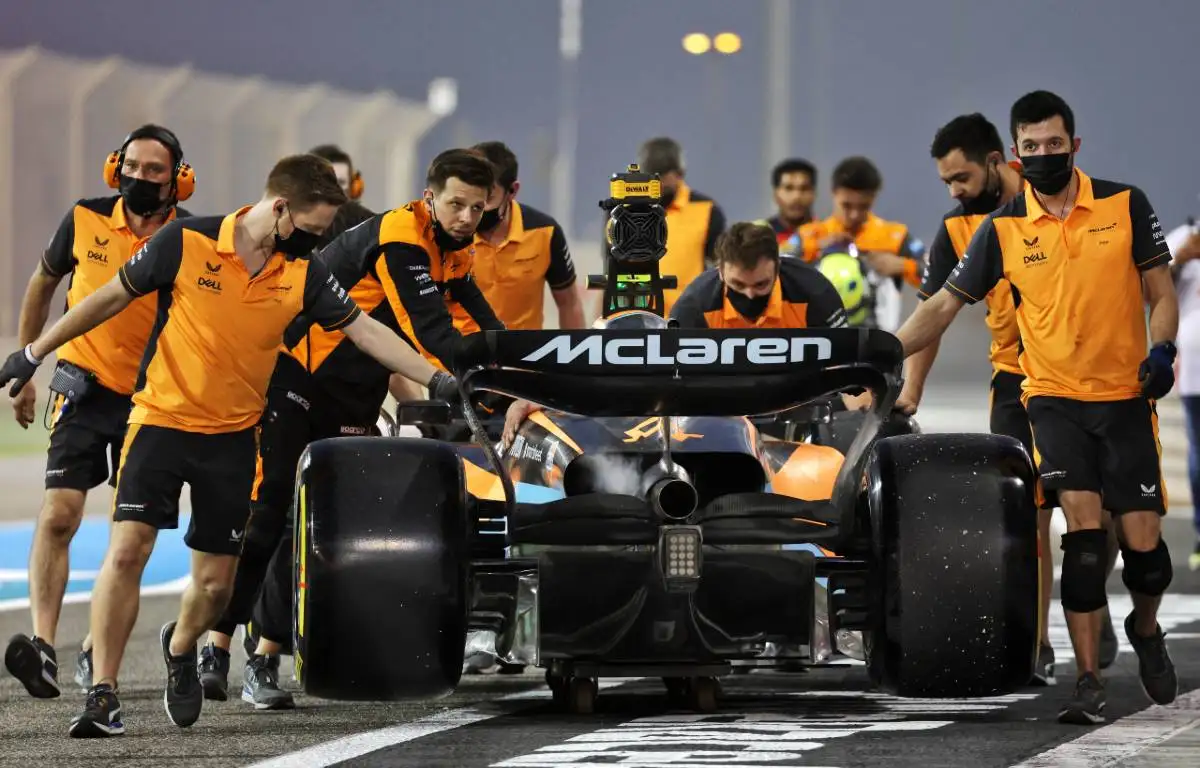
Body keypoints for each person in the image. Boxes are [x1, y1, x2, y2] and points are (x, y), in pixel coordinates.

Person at [0, 153, 457, 737]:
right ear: (281, 209)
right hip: (159, 421)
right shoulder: (186, 241)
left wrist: (435, 376)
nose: (318, 246)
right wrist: (34, 352)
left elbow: (366, 332)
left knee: (216, 586)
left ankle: (182, 645)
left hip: (235, 437)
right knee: (127, 551)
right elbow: (108, 297)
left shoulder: (305, 273)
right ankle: (102, 694)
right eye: (313, 231)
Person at [894, 90, 1179, 725]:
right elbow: (942, 306)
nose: (1044, 155)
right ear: (1017, 151)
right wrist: (887, 351)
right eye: (1034, 146)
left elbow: (1160, 291)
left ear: (1073, 145)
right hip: (1048, 397)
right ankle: (1084, 680)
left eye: (1054, 145)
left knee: (1145, 551)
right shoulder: (999, 229)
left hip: (1126, 397)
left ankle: (1146, 626)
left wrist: (1162, 347)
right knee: (1076, 539)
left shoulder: (1126, 204)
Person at [195, 148, 503, 708]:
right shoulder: (400, 237)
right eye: (456, 204)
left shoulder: (453, 249)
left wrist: (521, 372)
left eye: (478, 209)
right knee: (270, 514)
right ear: (430, 197)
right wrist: (478, 386)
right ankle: (215, 643)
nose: (466, 217)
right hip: (298, 379)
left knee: (321, 530)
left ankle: (263, 657)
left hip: (357, 394)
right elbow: (431, 332)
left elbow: (487, 327)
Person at [900, 112, 1119, 685]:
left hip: (1090, 380)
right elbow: (936, 312)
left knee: (1107, 516)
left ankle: (1091, 598)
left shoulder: (1065, 203)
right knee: (1030, 513)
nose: (955, 191)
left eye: (962, 178)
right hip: (1015, 382)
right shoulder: (958, 229)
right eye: (946, 181)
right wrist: (909, 388)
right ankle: (1039, 642)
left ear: (997, 162)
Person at [3, 124, 194, 700]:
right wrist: (26, 367)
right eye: (132, 166)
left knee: (128, 535)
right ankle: (42, 646)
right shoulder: (84, 217)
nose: (140, 177)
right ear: (116, 167)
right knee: (59, 514)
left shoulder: (191, 237)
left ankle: (94, 646)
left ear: (178, 178)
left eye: (154, 170)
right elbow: (43, 281)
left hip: (152, 397)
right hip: (81, 385)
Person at [502, 222, 851, 441]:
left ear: (778, 267)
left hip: (798, 409)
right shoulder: (696, 303)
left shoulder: (813, 292)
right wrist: (545, 395)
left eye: (761, 285)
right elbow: (643, 372)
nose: (749, 295)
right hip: (722, 419)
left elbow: (848, 373)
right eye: (738, 284)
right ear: (719, 272)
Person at [452, 141, 585, 332]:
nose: (475, 208)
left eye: (487, 197)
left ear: (512, 191)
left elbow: (569, 304)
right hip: (460, 356)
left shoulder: (545, 232)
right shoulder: (446, 233)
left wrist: (576, 357)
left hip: (523, 358)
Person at [792, 156, 926, 332]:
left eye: (863, 206)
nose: (854, 215)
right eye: (846, 206)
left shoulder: (893, 236)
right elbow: (775, 268)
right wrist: (815, 249)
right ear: (834, 193)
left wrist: (902, 265)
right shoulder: (811, 235)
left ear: (874, 198)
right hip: (818, 340)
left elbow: (936, 273)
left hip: (877, 343)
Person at [609, 137, 726, 313]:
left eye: (662, 176)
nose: (656, 183)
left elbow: (723, 270)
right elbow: (611, 270)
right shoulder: (619, 209)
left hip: (685, 319)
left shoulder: (706, 210)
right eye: (650, 176)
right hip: (631, 317)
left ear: (679, 173)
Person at [1167, 216, 1200, 571]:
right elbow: (1150, 293)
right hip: (1195, 371)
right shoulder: (1181, 237)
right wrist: (1180, 260)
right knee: (1199, 458)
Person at [307, 144, 377, 245]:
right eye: (328, 181)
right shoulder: (290, 227)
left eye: (341, 182)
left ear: (353, 187)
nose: (335, 189)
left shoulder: (368, 223)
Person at [754, 158, 818, 251]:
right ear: (776, 194)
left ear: (814, 194)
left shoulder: (826, 234)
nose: (797, 196)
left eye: (804, 188)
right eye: (789, 188)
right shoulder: (760, 237)